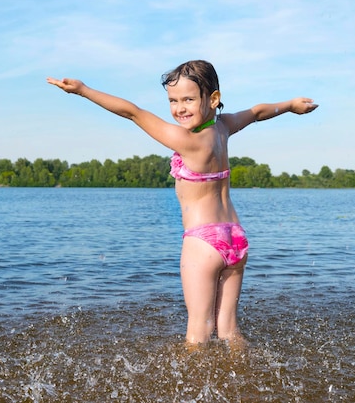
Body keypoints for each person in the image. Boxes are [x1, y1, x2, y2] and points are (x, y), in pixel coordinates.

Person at [47, 60, 318, 345]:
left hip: (203, 242)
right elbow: (257, 112)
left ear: (213, 99)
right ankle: (249, 381)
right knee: (229, 330)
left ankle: (192, 385)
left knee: (198, 332)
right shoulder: (224, 127)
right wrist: (290, 105)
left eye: (188, 99)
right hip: (235, 238)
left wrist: (83, 90)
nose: (179, 108)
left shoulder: (186, 139)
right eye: (173, 101)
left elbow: (133, 113)